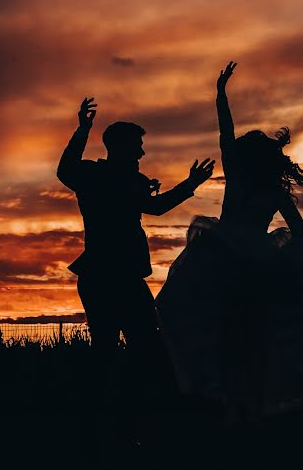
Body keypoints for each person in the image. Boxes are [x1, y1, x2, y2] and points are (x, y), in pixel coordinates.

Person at [155, 63, 303, 419]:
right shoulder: (267, 189)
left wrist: (220, 95)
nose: (235, 152)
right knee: (246, 330)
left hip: (229, 260)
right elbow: (299, 232)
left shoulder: (242, 180)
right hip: (249, 261)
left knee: (233, 329)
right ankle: (238, 400)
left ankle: (232, 399)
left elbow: (226, 136)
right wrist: (220, 96)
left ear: (248, 158)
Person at [57, 97, 215, 447]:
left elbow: (66, 171)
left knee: (117, 353)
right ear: (124, 147)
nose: (142, 153)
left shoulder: (104, 176)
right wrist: (189, 185)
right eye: (138, 146)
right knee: (143, 351)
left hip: (103, 276)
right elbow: (156, 207)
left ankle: (106, 427)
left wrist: (83, 130)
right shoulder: (110, 177)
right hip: (116, 277)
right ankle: (122, 428)